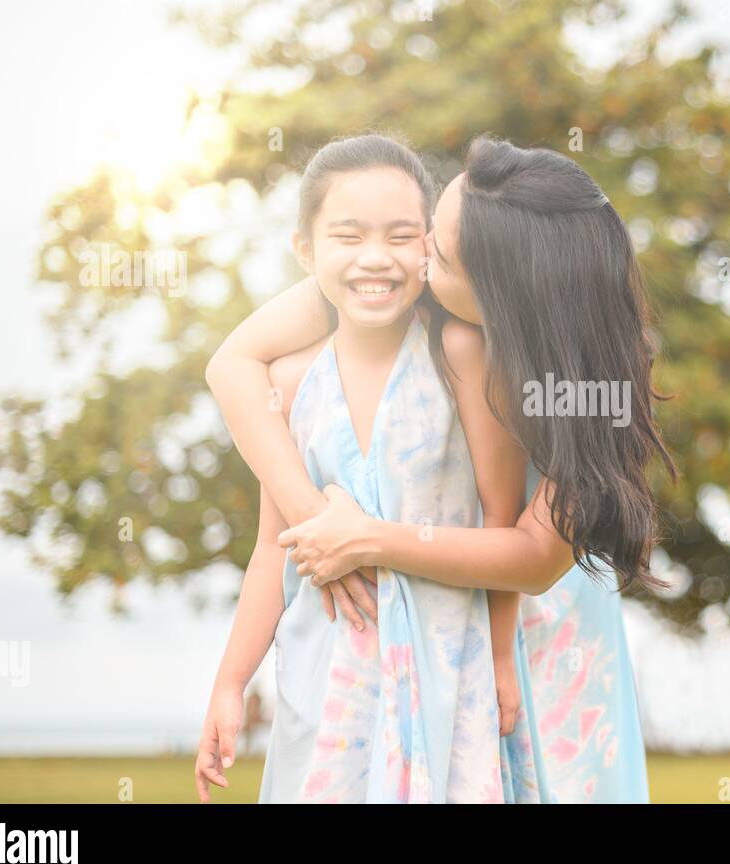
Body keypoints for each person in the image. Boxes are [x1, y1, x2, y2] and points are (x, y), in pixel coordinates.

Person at [205, 135, 677, 802]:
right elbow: (234, 366)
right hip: (449, 618)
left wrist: (366, 539)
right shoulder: (405, 289)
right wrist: (318, 523)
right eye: (431, 229)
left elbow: (534, 556)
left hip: (540, 625)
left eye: (439, 253)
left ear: (501, 303)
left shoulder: (585, 390)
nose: (415, 256)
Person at [195, 133, 544, 803]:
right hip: (323, 680)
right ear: (307, 252)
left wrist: (501, 656)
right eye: (348, 236)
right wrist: (230, 683)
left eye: (401, 235)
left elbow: (502, 514)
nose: (375, 258)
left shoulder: (461, 354)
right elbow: (273, 549)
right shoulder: (294, 384)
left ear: (429, 248)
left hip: (448, 670)